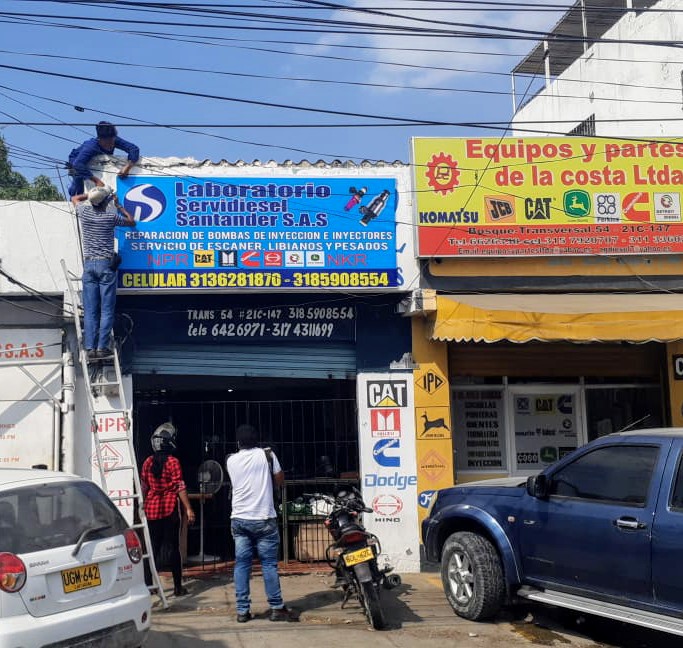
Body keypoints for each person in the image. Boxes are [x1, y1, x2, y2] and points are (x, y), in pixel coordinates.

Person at [226, 424, 293, 623]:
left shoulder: (230, 460)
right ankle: (276, 607)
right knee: (269, 564)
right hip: (264, 519)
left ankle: (242, 611)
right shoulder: (268, 455)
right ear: (257, 440)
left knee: (242, 565)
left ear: (238, 442)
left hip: (239, 519)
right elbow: (280, 480)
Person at [71, 185, 136, 360]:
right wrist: (119, 205)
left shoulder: (84, 214)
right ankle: (102, 347)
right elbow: (132, 221)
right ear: (106, 202)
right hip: (106, 266)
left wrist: (91, 195)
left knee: (91, 310)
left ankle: (90, 348)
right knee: (106, 310)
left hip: (89, 266)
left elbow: (75, 199)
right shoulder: (110, 216)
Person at [141, 422, 195, 597]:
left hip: (151, 509)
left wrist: (140, 506)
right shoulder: (173, 462)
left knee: (152, 548)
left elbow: (144, 486)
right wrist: (188, 508)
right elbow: (180, 486)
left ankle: (149, 586)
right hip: (170, 508)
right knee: (173, 548)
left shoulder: (147, 462)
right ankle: (178, 587)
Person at [67, 121, 140, 197]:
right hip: (76, 161)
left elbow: (134, 149)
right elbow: (78, 164)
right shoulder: (91, 147)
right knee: (79, 187)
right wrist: (97, 181)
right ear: (100, 139)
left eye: (112, 141)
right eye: (108, 142)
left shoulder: (114, 139)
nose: (111, 144)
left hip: (101, 164)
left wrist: (127, 167)